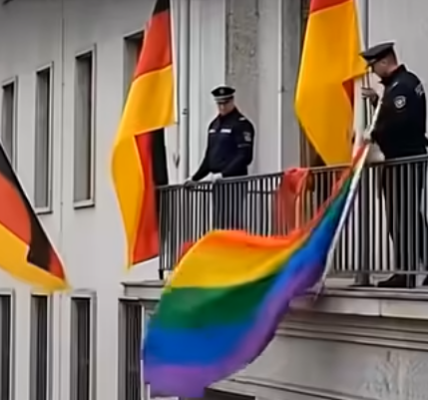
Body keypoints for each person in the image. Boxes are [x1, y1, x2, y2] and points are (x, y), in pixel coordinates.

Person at [361, 42, 428, 288]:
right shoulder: (399, 85)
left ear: (385, 62)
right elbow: (394, 116)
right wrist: (376, 101)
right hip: (400, 162)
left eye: (374, 67)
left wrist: (372, 135)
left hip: (404, 161)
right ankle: (407, 270)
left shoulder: (403, 86)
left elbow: (400, 125)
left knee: (404, 219)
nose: (373, 72)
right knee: (405, 217)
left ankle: (405, 273)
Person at [185, 85, 255, 229]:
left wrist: (224, 174)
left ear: (232, 101)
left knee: (232, 221)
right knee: (219, 222)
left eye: (226, 103)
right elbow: (209, 157)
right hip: (218, 183)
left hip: (234, 182)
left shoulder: (241, 124)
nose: (222, 107)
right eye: (219, 104)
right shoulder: (214, 125)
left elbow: (244, 156)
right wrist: (195, 178)